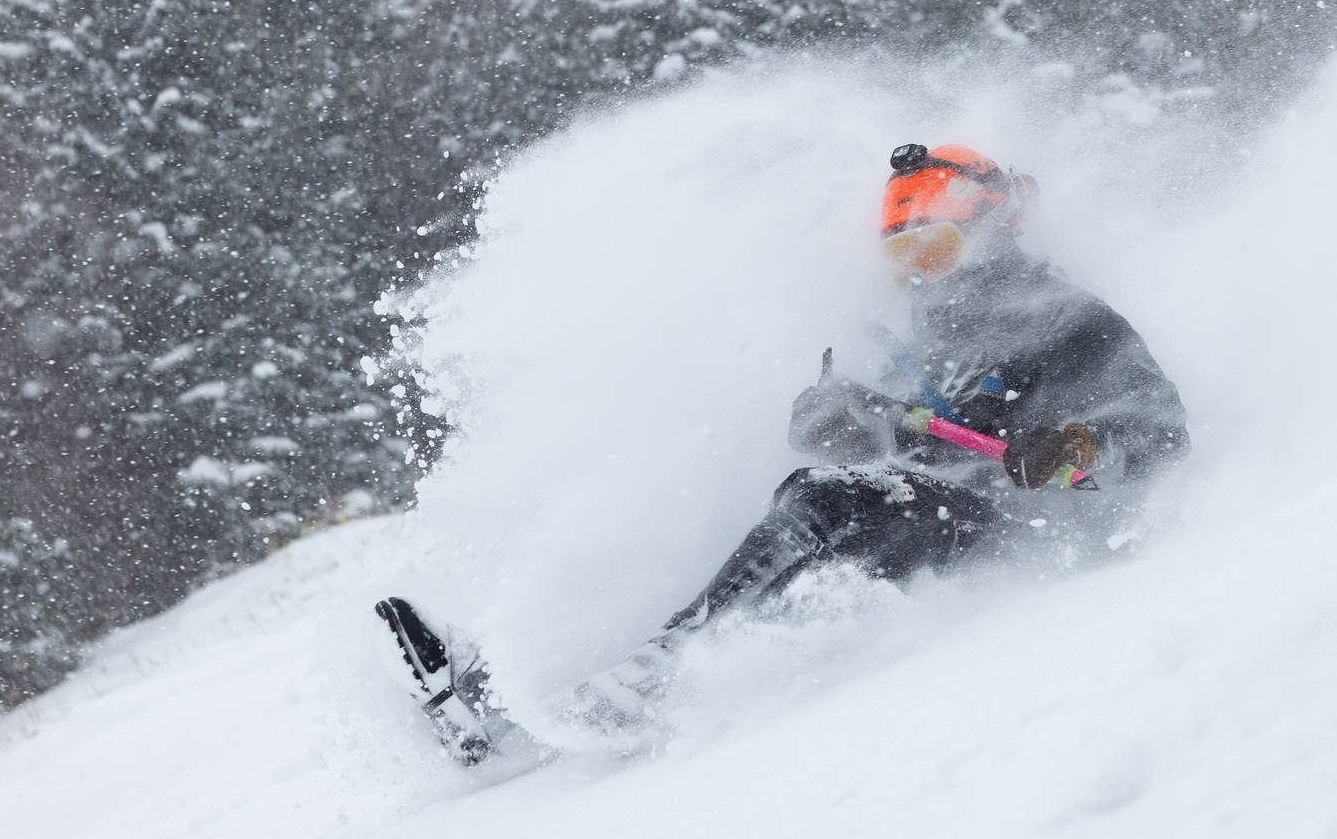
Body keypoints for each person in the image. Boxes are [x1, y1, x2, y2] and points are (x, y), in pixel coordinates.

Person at [377, 142, 1189, 762]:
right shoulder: (923, 334)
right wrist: (835, 415)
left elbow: (1158, 426)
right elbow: (866, 426)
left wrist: (1076, 446)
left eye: (936, 249)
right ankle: (509, 707)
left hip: (1005, 522)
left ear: (992, 227)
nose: (923, 275)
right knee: (798, 497)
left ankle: (659, 668)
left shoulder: (1066, 316)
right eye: (905, 258)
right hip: (920, 508)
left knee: (828, 498)